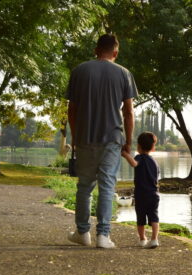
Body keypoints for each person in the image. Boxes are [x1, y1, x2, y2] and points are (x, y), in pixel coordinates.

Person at [66, 33, 137, 249]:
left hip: (85, 137)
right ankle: (103, 236)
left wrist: (76, 137)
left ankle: (82, 233)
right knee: (107, 186)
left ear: (96, 50)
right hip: (112, 138)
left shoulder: (79, 71)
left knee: (85, 186)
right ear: (115, 52)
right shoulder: (124, 73)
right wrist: (128, 141)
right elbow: (128, 112)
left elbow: (72, 110)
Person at [121, 132, 160, 249]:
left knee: (140, 218)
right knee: (154, 217)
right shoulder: (154, 162)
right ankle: (154, 239)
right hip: (154, 194)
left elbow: (134, 163)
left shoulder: (140, 158)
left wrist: (125, 154)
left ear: (138, 146)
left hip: (141, 194)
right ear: (152, 147)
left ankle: (143, 239)